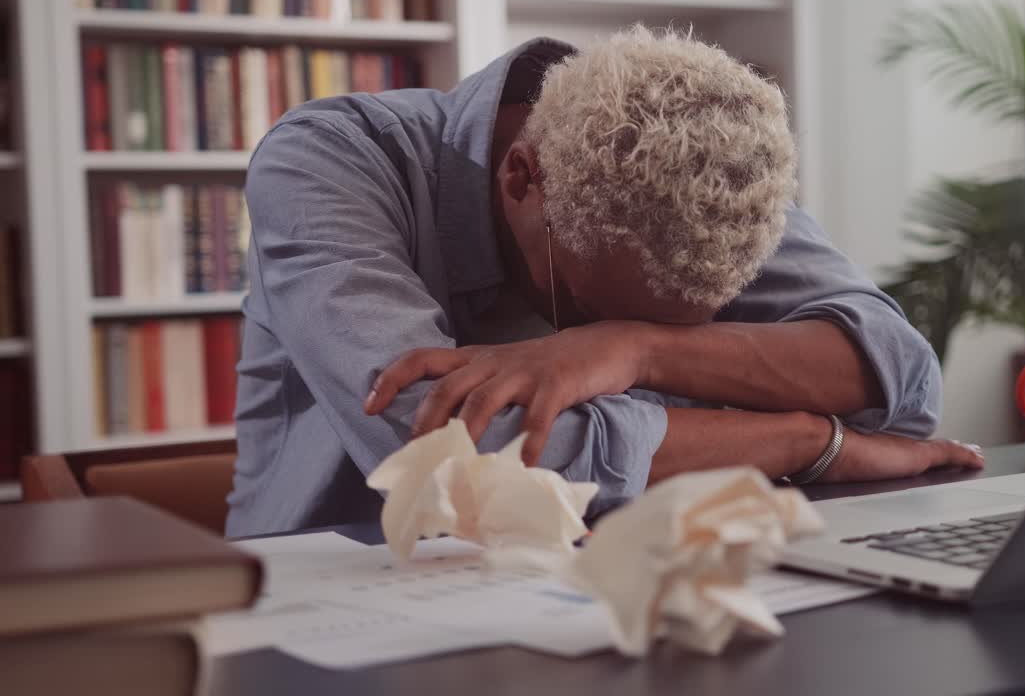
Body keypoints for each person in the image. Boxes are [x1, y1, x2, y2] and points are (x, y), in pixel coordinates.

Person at [226, 27, 981, 538]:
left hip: (611, 572)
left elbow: (896, 373)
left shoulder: (696, 157)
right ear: (523, 174)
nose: (581, 336)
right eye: (577, 304)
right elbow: (456, 461)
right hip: (344, 595)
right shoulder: (327, 162)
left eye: (691, 324)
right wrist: (808, 441)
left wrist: (635, 348)